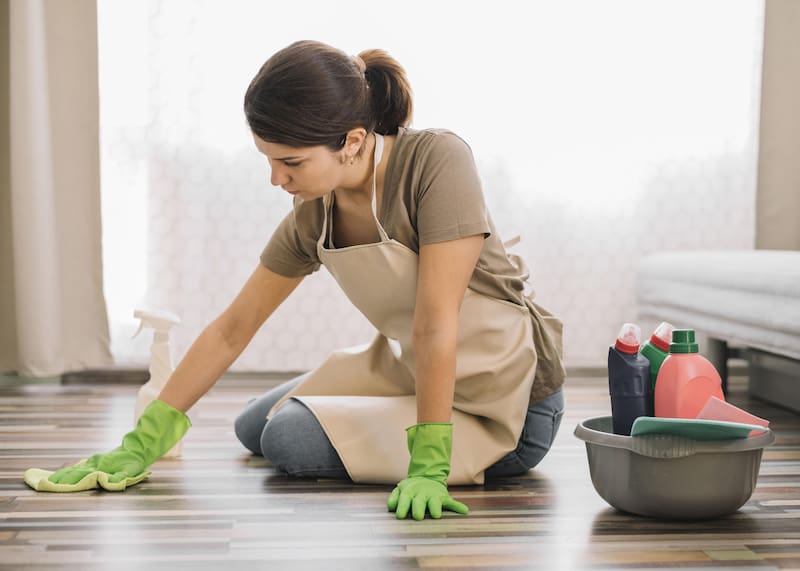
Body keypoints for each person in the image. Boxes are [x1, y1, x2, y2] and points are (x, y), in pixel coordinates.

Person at [23, 40, 566, 521]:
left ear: (352, 141)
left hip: (511, 402)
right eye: (268, 160)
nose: (276, 179)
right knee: (251, 426)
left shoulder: (436, 163)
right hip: (413, 369)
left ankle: (448, 443)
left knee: (285, 437)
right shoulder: (316, 213)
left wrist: (429, 462)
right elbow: (234, 328)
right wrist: (140, 443)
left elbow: (435, 323)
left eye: (291, 162)